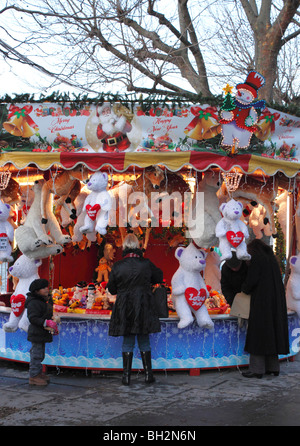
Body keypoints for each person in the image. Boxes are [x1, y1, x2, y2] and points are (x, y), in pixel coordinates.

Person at [107, 233, 163, 385]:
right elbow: (159, 277)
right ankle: (148, 375)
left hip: (124, 305)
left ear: (124, 247)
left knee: (128, 340)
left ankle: (126, 377)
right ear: (138, 246)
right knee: (144, 339)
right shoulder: (146, 263)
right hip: (144, 303)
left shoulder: (117, 266)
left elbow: (111, 289)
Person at [240, 239, 289, 379]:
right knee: (272, 333)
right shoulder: (271, 259)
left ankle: (257, 369)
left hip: (262, 302)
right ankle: (273, 367)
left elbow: (252, 281)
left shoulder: (257, 259)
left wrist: (244, 288)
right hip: (276, 302)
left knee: (258, 333)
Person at [25, 278, 59, 386]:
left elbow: (48, 313)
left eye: (46, 287)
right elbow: (33, 318)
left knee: (40, 354)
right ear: (36, 290)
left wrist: (53, 320)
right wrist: (46, 322)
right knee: (36, 355)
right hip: (36, 332)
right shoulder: (34, 303)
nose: (46, 289)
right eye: (43, 288)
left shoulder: (45, 300)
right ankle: (33, 376)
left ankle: (38, 373)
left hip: (42, 332)